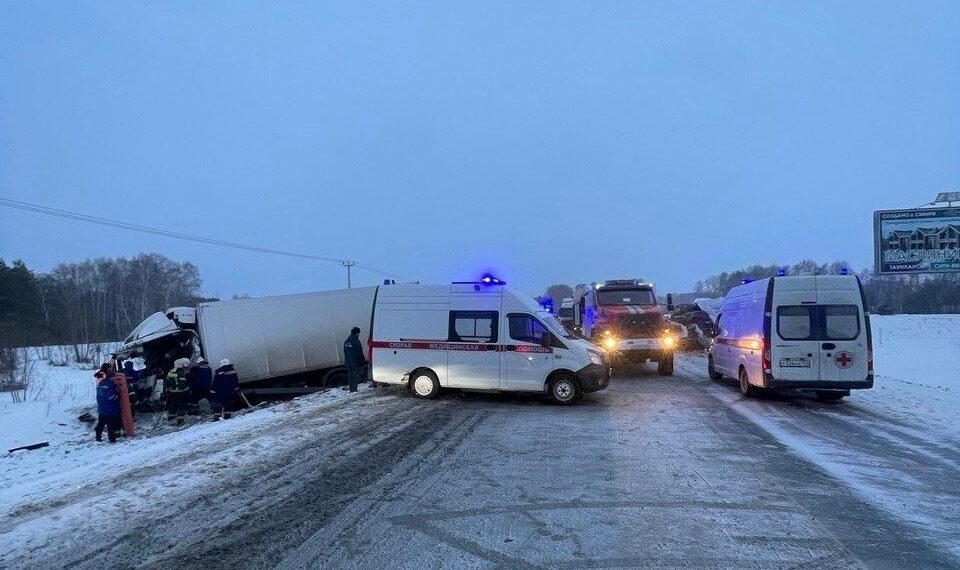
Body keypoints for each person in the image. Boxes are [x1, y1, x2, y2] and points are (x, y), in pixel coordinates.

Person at [94, 366, 122, 443]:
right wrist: (118, 396)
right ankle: (112, 440)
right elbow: (111, 397)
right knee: (111, 425)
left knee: (101, 423)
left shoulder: (100, 384)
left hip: (102, 408)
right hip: (110, 410)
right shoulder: (110, 385)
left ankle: (98, 437)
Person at [165, 358, 191, 425]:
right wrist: (188, 391)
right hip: (180, 393)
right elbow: (183, 385)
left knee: (173, 406)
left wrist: (168, 390)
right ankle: (180, 422)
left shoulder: (171, 372)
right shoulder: (181, 373)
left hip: (172, 393)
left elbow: (167, 383)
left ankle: (170, 419)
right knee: (181, 407)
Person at [343, 326, 367, 393]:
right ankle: (354, 389)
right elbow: (359, 352)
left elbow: (345, 351)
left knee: (350, 376)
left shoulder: (347, 341)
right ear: (357, 333)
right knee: (355, 376)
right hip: (355, 362)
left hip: (348, 362)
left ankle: (351, 389)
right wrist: (363, 361)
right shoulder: (355, 341)